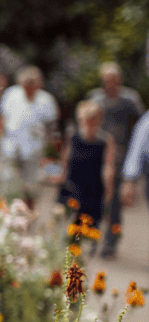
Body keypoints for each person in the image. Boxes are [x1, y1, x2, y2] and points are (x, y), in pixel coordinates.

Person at [86, 62, 144, 257]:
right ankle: (92, 237)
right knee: (95, 198)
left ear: (119, 80)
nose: (110, 83)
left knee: (115, 204)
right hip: (97, 156)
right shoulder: (95, 99)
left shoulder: (131, 100)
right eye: (106, 80)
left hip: (121, 157)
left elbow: (140, 129)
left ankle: (112, 240)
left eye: (113, 80)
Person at [0, 66, 59, 207]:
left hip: (33, 149)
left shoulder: (46, 100)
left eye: (32, 84)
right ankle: (7, 214)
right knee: (9, 182)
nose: (28, 88)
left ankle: (28, 216)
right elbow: (1, 120)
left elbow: (52, 129)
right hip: (11, 147)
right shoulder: (11, 94)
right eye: (25, 84)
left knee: (31, 186)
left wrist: (51, 153)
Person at [57, 100, 115, 246]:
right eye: (85, 120)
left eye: (93, 121)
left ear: (99, 120)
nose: (89, 124)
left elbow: (108, 168)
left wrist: (109, 191)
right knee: (69, 232)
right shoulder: (73, 137)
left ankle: (80, 260)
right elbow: (65, 161)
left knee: (88, 233)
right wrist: (60, 183)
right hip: (73, 188)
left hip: (93, 191)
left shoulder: (106, 141)